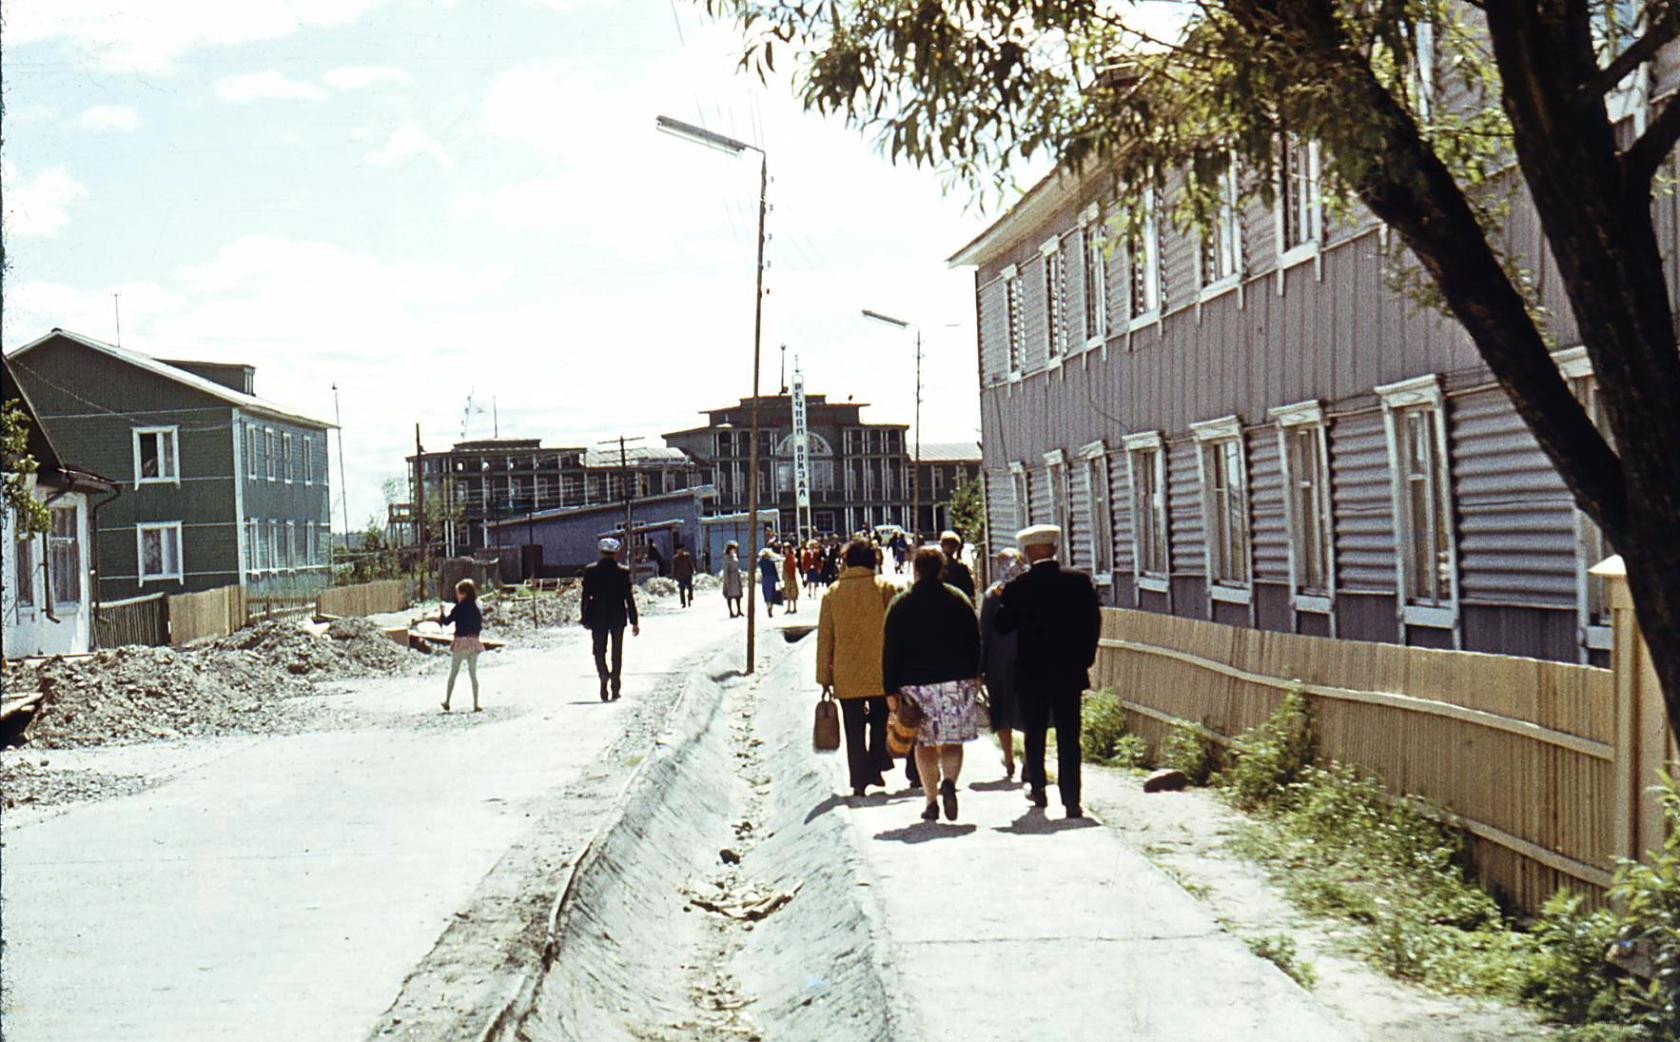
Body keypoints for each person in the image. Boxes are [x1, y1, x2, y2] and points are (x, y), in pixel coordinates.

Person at [996, 524, 1102, 819]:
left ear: (1028, 553)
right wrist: (1085, 658)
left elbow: (1002, 626)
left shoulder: (1019, 587)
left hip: (1031, 672)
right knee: (1069, 736)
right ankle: (1072, 799)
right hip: (1069, 671)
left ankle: (1039, 789)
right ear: (1054, 548)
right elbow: (1093, 622)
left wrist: (1004, 599)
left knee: (1035, 732)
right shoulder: (1078, 582)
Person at [883, 547, 982, 822]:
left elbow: (891, 650)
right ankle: (949, 782)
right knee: (952, 741)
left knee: (924, 745)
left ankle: (931, 802)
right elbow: (975, 640)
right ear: (942, 570)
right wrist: (976, 673)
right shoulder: (958, 599)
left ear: (915, 570)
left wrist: (889, 689)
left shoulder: (900, 604)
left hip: (916, 687)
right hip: (956, 682)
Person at [816, 538, 900, 797]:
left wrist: (824, 677)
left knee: (853, 728)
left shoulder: (833, 593)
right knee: (879, 720)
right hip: (881, 671)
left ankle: (858, 781)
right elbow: (896, 631)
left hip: (846, 674)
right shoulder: (885, 588)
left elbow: (825, 638)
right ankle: (876, 763)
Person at [980, 548, 1028, 780]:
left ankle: (1009, 758)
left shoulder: (993, 595)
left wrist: (980, 668)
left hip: (998, 663)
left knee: (1001, 710)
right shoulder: (1031, 591)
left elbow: (984, 632)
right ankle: (1029, 760)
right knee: (1027, 710)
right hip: (1027, 660)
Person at [581, 537, 640, 702]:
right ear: (616, 554)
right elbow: (629, 598)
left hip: (597, 616)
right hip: (617, 616)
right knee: (617, 651)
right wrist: (634, 621)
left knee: (599, 650)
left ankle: (603, 674)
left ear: (600, 552)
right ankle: (615, 686)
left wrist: (584, 616)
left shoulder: (590, 571)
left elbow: (585, 597)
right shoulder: (623, 572)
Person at [439, 578, 484, 713]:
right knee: (473, 674)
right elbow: (479, 626)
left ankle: (447, 701)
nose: (457, 595)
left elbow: (446, 622)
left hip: (460, 642)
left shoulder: (458, 608)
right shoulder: (477, 607)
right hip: (474, 642)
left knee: (453, 673)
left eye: (458, 593)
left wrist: (441, 612)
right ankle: (476, 703)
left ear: (464, 594)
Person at [939, 530, 976, 603]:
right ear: (942, 545)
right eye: (947, 544)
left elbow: (969, 586)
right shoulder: (938, 565)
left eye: (953, 545)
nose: (950, 547)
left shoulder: (961, 566)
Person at [721, 541, 744, 617]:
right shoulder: (726, 558)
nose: (734, 550)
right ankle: (731, 612)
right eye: (733, 549)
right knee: (729, 596)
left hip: (736, 578)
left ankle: (739, 610)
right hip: (730, 579)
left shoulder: (735, 557)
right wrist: (727, 581)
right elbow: (726, 570)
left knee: (738, 595)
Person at [758, 546, 781, 618]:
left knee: (766, 595)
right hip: (772, 579)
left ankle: (768, 606)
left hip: (765, 579)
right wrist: (778, 580)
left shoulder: (761, 563)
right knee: (772, 594)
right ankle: (770, 608)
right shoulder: (771, 562)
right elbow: (775, 571)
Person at [782, 541, 802, 615]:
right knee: (788, 593)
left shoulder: (791, 557)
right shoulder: (786, 558)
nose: (786, 550)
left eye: (787, 549)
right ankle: (788, 608)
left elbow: (792, 567)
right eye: (785, 549)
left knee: (793, 593)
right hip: (787, 578)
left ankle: (794, 608)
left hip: (791, 577)